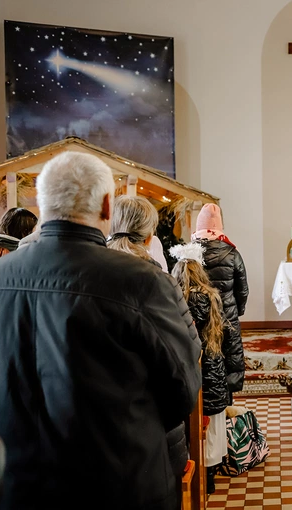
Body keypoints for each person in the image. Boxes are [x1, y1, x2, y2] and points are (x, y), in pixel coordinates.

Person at [0, 152, 201, 510]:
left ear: (43, 204)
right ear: (106, 205)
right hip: (121, 484)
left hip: (18, 488)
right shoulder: (141, 281)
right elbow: (182, 388)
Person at [106, 194, 189, 492]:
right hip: (149, 422)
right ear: (150, 234)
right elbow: (183, 355)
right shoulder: (155, 276)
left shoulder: (87, 269)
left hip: (96, 421)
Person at [170, 243, 231, 495]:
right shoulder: (210, 295)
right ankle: (211, 472)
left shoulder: (177, 299)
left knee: (193, 421)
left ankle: (194, 467)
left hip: (191, 365)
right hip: (213, 364)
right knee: (213, 422)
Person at [192, 203, 247, 394]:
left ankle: (204, 407)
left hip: (199, 318)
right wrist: (237, 311)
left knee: (206, 361)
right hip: (226, 315)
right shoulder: (232, 253)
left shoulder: (190, 254)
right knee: (229, 357)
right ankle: (227, 402)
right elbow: (242, 289)